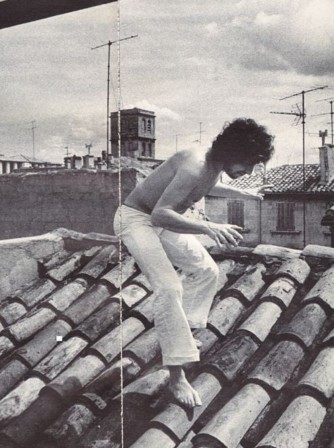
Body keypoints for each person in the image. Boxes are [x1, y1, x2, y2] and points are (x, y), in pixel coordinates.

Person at [113, 118, 274, 408]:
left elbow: (209, 186)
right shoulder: (195, 164)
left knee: (206, 271)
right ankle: (177, 376)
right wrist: (208, 228)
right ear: (233, 151)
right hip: (137, 220)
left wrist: (244, 193)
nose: (248, 171)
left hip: (159, 221)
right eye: (247, 163)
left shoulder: (212, 165)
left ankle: (181, 332)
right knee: (169, 287)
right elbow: (159, 215)